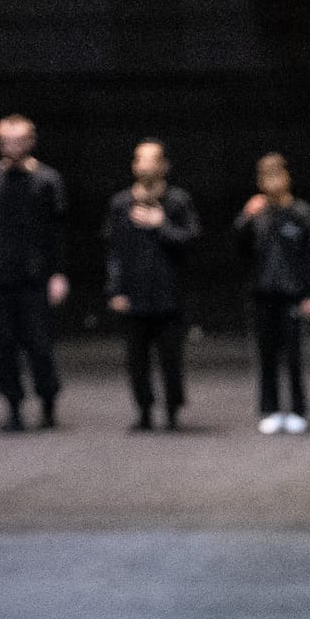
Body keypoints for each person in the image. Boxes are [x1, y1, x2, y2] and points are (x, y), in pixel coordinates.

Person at [0, 114, 68, 433]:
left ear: (31, 141)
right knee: (2, 346)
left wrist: (58, 273)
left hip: (35, 277)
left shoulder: (47, 180)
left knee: (39, 344)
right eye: (6, 140)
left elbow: (58, 231)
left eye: (18, 140)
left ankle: (48, 400)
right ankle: (13, 405)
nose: (12, 146)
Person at [103, 138, 202, 432]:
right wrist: (116, 290)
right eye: (139, 159)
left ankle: (172, 408)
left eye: (151, 160)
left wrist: (162, 225)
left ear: (164, 166)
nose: (144, 165)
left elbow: (191, 239)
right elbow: (114, 251)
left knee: (171, 358)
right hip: (134, 294)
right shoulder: (121, 204)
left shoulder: (177, 202)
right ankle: (144, 409)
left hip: (168, 294)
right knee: (136, 359)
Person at [235, 151, 310, 434]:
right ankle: (269, 409)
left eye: (277, 175)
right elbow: (239, 250)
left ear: (287, 177)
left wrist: (309, 294)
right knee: (266, 355)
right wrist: (246, 217)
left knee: (294, 356)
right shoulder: (256, 215)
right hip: (262, 295)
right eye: (266, 176)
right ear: (260, 181)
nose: (272, 182)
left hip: (292, 295)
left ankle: (297, 409)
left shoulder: (301, 213)